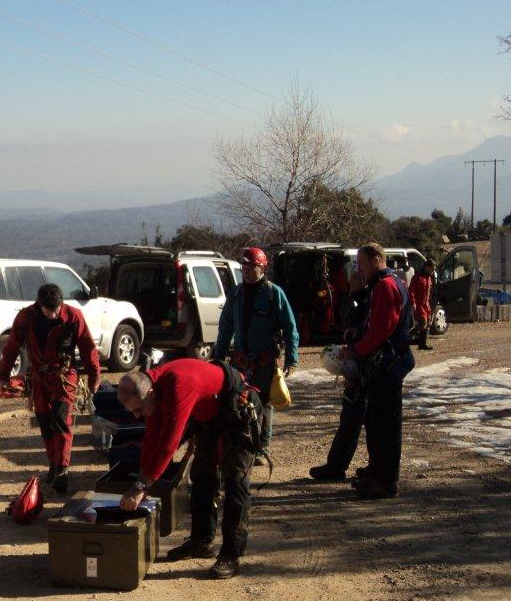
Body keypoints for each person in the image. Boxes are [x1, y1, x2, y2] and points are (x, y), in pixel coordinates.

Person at [117, 359, 260, 579]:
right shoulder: (153, 392)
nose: (137, 416)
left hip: (238, 411)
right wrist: (141, 480)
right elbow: (152, 438)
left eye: (138, 410)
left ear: (150, 393)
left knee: (235, 483)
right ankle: (201, 542)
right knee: (202, 476)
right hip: (211, 417)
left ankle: (232, 554)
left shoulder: (178, 387)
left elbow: (169, 443)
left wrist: (142, 486)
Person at [0, 283, 100, 494]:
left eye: (56, 310)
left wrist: (94, 376)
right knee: (45, 423)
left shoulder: (73, 316)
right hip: (39, 378)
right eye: (48, 311)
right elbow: (11, 348)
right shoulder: (25, 318)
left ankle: (62, 469)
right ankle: (53, 463)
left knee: (61, 420)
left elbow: (88, 347)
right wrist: (3, 376)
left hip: (64, 376)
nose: (53, 315)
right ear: (39, 305)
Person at [341, 243, 415, 500]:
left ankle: (385, 479)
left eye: (361, 263)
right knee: (375, 420)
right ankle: (377, 471)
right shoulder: (390, 282)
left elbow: (382, 329)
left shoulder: (386, 285)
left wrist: (356, 350)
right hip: (387, 360)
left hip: (388, 362)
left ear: (375, 260)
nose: (358, 269)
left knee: (384, 423)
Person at [214, 247, 299, 463]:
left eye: (251, 266)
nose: (247, 270)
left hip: (264, 362)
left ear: (262, 267)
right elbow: (225, 328)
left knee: (263, 403)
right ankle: (240, 444)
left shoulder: (274, 293)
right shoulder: (235, 294)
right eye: (244, 266)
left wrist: (292, 358)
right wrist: (218, 357)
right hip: (240, 361)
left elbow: (290, 328)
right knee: (237, 401)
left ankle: (261, 447)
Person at [309, 271, 372, 480]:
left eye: (352, 285)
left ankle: (336, 467)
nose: (349, 289)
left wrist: (353, 369)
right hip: (361, 367)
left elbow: (365, 339)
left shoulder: (366, 306)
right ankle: (355, 466)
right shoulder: (363, 304)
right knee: (357, 420)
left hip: (362, 369)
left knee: (353, 419)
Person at [410, 260, 437, 351]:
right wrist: (413, 302)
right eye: (431, 269)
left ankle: (422, 343)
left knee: (428, 323)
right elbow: (412, 290)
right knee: (422, 323)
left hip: (426, 304)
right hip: (419, 304)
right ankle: (407, 338)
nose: (432, 271)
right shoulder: (417, 277)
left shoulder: (429, 278)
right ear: (427, 267)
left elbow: (430, 292)